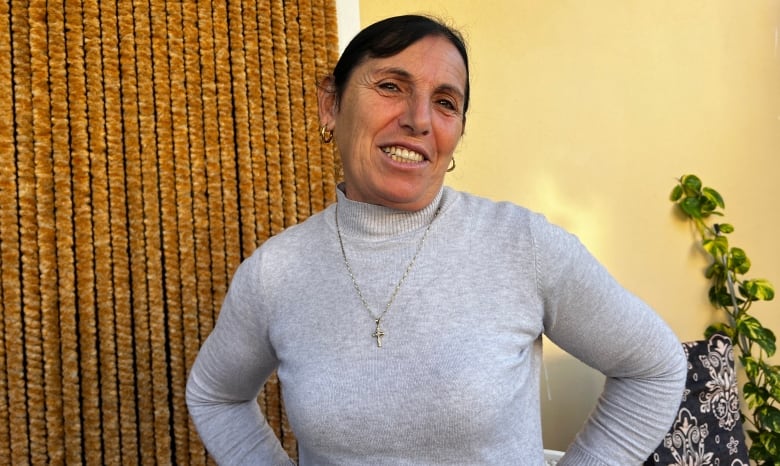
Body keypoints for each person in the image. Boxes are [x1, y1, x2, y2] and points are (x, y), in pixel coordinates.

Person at [186, 14, 687, 465]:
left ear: (457, 134)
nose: (419, 120)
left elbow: (654, 368)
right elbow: (215, 395)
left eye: (445, 103)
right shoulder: (276, 272)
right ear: (331, 104)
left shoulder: (520, 245)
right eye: (390, 86)